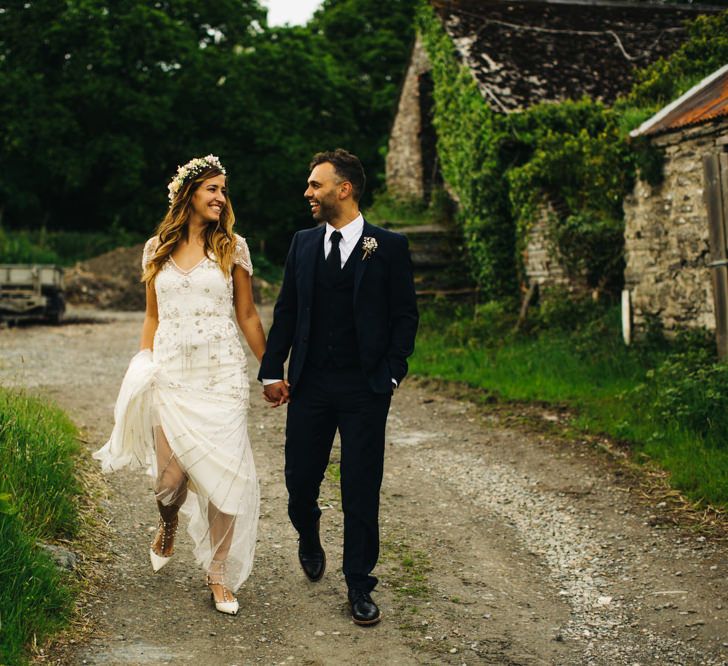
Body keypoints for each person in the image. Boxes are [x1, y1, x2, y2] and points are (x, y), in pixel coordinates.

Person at [94, 155, 265, 615]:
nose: (220, 197)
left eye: (224, 190)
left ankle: (219, 575)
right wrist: (143, 364)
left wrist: (270, 369)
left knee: (226, 478)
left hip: (222, 374)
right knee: (169, 482)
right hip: (172, 374)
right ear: (188, 193)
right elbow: (152, 316)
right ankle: (168, 525)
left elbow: (247, 315)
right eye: (212, 188)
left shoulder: (234, 247)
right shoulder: (156, 249)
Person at [259, 149, 418, 625]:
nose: (307, 192)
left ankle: (359, 585)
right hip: (311, 386)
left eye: (315, 185)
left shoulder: (388, 246)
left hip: (365, 389)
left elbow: (404, 315)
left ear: (343, 189)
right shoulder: (303, 244)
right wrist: (272, 369)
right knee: (298, 483)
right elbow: (286, 311)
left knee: (361, 488)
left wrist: (392, 373)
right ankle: (309, 535)